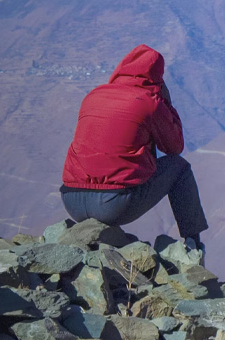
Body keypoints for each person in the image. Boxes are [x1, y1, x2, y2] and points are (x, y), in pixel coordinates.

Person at [60, 44, 209, 252]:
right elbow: (174, 148)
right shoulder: (149, 102)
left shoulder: (92, 96)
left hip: (70, 200)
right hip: (112, 205)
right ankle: (194, 246)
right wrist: (167, 103)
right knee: (179, 167)